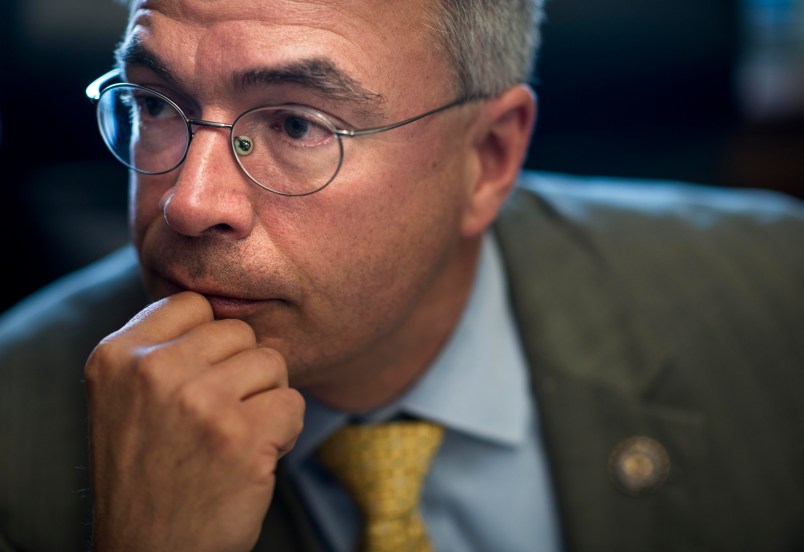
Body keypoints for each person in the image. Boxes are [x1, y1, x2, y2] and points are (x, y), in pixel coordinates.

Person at [1, 0, 803, 550]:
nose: (187, 202)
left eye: (294, 123)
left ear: (488, 159)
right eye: (154, 104)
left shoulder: (775, 300)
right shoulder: (16, 442)